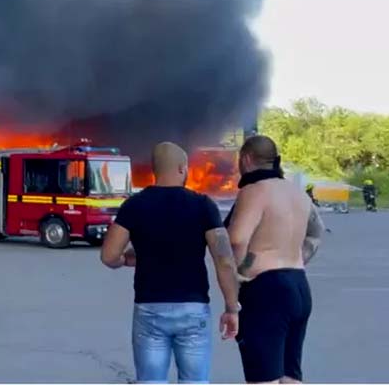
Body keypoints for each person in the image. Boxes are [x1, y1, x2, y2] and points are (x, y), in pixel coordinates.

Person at [101, 142, 239, 384]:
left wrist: (126, 259)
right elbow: (224, 260)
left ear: (155, 170)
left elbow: (109, 256)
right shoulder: (203, 205)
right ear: (182, 168)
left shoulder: (134, 205)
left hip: (150, 309)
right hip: (193, 308)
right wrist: (231, 308)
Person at [227, 135, 324, 384]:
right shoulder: (297, 193)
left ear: (246, 159)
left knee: (263, 377)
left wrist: (241, 272)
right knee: (290, 375)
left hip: (267, 290)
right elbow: (317, 232)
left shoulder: (254, 191)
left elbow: (237, 239)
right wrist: (296, 257)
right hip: (299, 285)